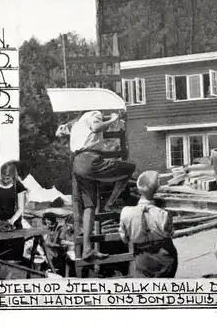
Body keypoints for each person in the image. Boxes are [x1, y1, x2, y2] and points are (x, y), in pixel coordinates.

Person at [69, 110, 136, 262]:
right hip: (91, 161)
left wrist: (111, 118)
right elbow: (96, 127)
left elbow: (93, 127)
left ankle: (86, 249)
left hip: (78, 164)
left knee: (89, 207)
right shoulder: (95, 112)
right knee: (129, 167)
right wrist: (113, 119)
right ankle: (110, 204)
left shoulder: (77, 122)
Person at [119, 170, 178, 278]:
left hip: (142, 258)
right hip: (165, 258)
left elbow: (125, 239)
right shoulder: (163, 214)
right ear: (157, 189)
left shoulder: (126, 212)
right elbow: (171, 233)